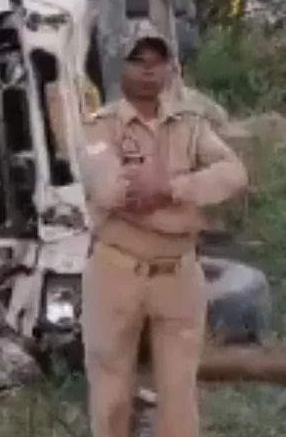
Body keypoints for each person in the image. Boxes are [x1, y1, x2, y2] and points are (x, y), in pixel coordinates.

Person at [79, 23, 249, 437]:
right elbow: (110, 192)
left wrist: (172, 187)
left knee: (179, 394)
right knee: (111, 392)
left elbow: (234, 173)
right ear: (120, 66)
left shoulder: (191, 124)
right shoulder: (98, 127)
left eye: (158, 61)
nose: (148, 70)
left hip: (179, 276)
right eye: (138, 60)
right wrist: (191, 212)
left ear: (170, 67)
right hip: (116, 275)